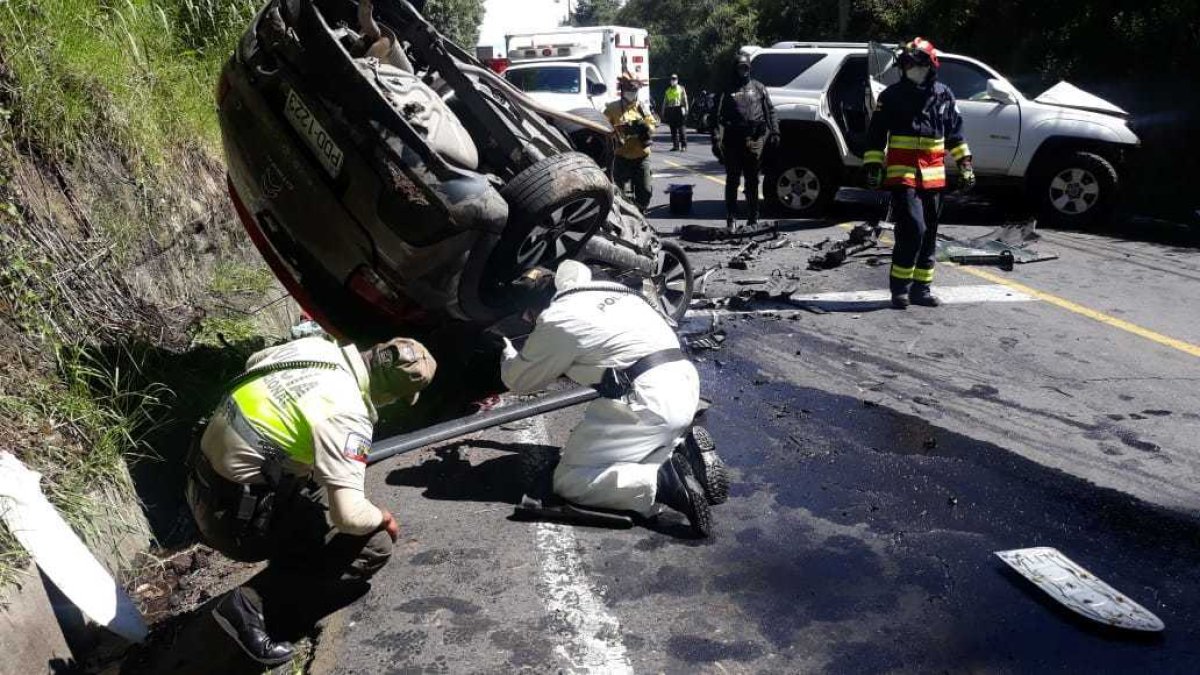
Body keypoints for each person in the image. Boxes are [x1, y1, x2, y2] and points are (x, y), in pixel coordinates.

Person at [186, 335, 436, 665]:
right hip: (234, 522)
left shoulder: (315, 348)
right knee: (373, 543)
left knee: (321, 480)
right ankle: (252, 607)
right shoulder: (349, 415)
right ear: (388, 394)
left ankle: (291, 558)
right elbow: (351, 516)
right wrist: (382, 517)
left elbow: (253, 362)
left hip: (200, 482)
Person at [499, 261, 726, 538]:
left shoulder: (558, 318)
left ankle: (663, 480)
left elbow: (520, 381)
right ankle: (679, 448)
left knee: (568, 481)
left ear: (537, 306)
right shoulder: (617, 292)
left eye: (527, 315)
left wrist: (508, 353)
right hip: (684, 385)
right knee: (636, 443)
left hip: (648, 403)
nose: (527, 321)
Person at [863, 37, 975, 309]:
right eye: (906, 63)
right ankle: (899, 288)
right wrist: (874, 166)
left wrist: (966, 165)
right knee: (913, 228)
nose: (910, 67)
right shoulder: (890, 97)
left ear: (929, 65)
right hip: (904, 176)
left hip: (934, 176)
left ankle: (921, 290)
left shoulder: (944, 95)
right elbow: (876, 135)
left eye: (915, 63)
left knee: (929, 234)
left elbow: (955, 135)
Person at [714, 53, 779, 231]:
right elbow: (716, 117)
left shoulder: (759, 88)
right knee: (732, 180)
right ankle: (731, 218)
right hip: (733, 140)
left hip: (754, 140)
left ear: (749, 68)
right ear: (734, 69)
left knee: (752, 181)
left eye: (745, 67)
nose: (742, 71)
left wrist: (775, 132)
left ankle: (753, 219)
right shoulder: (726, 89)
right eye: (739, 67)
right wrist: (716, 140)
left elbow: (770, 111)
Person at [604, 72, 657, 212]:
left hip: (641, 156)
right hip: (621, 156)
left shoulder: (642, 107)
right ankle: (622, 214)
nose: (631, 93)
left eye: (634, 91)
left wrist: (644, 128)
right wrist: (621, 131)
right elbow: (604, 129)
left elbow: (652, 126)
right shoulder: (612, 108)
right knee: (616, 191)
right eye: (628, 90)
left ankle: (640, 212)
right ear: (622, 91)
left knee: (645, 191)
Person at [661, 74, 690, 151]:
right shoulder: (668, 91)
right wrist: (663, 112)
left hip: (679, 109)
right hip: (671, 110)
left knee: (681, 129)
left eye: (674, 79)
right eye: (672, 79)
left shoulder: (681, 89)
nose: (673, 80)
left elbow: (685, 100)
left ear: (677, 80)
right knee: (673, 129)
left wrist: (686, 110)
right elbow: (665, 102)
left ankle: (684, 146)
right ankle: (676, 146)